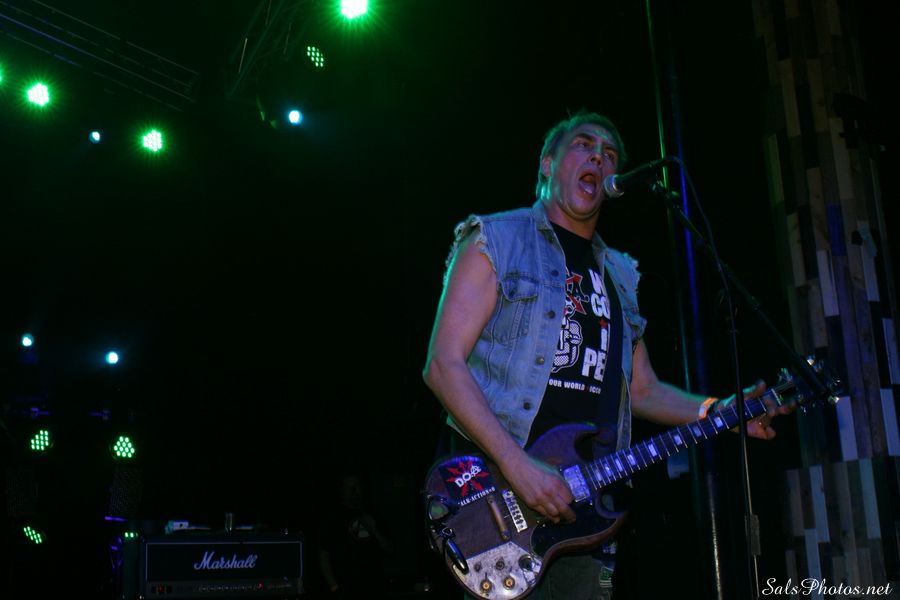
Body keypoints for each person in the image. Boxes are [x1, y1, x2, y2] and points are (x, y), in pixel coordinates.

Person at [421, 110, 792, 599]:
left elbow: (643, 389)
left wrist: (718, 411)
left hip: (585, 513)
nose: (598, 156)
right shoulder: (497, 239)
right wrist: (516, 464)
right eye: (583, 144)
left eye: (610, 153)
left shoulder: (619, 275)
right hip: (493, 501)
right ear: (547, 164)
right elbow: (442, 365)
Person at [317, 471, 393, 598]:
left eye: (357, 486)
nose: (354, 491)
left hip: (375, 588)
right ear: (341, 491)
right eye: (349, 487)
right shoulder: (333, 518)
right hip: (347, 591)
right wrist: (334, 587)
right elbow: (323, 556)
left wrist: (374, 530)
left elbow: (390, 549)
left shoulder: (373, 513)